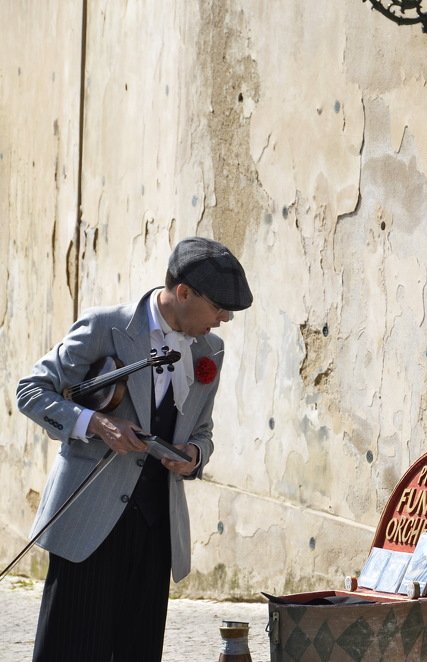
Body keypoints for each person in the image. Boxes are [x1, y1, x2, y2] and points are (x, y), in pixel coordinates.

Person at [17, 236, 253, 661]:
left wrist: (194, 456)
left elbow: (203, 431)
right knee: (70, 649)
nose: (224, 319)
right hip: (88, 521)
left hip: (155, 529)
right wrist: (96, 423)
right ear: (183, 292)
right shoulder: (105, 327)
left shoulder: (210, 351)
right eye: (219, 306)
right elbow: (31, 391)